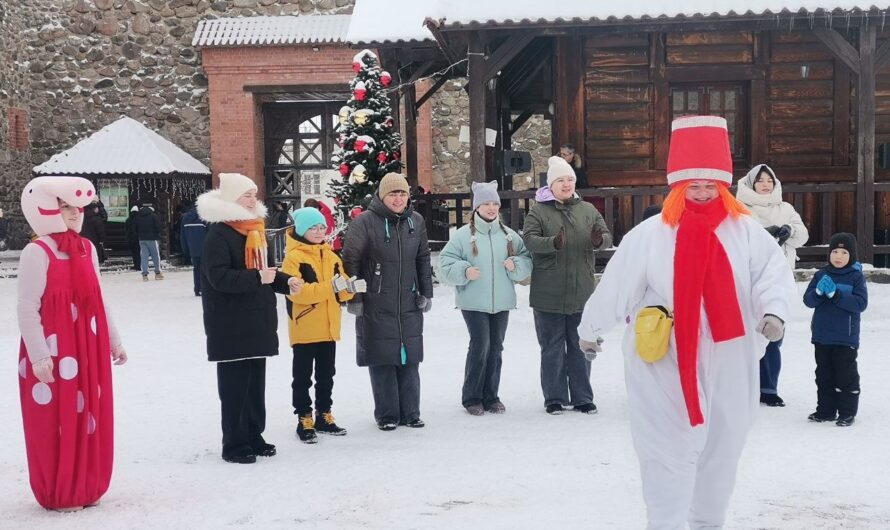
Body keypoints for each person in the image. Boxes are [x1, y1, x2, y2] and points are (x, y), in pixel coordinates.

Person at [578, 116, 796, 529]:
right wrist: (591, 331)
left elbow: (772, 274)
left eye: (708, 184)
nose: (700, 192)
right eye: (691, 185)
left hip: (730, 356)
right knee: (666, 449)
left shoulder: (746, 231)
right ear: (677, 187)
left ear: (724, 185)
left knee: (723, 447)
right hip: (666, 356)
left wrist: (774, 312)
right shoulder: (651, 234)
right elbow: (618, 285)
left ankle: (707, 523)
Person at [16, 176, 128, 511]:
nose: (74, 214)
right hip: (53, 348)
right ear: (49, 209)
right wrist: (38, 355)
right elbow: (27, 306)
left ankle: (87, 483)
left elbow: (97, 298)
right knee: (56, 418)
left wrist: (113, 341)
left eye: (78, 208)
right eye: (66, 207)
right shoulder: (36, 252)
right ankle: (61, 488)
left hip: (86, 346)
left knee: (88, 413)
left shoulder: (87, 249)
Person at [196, 172, 303, 464]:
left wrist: (285, 281)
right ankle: (234, 443)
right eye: (246, 194)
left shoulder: (253, 230)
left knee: (255, 384)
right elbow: (218, 277)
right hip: (231, 323)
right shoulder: (219, 233)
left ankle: (254, 435)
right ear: (231, 198)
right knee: (235, 387)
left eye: (254, 192)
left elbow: (266, 271)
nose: (252, 198)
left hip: (256, 320)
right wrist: (259, 277)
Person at [341, 173, 433, 431]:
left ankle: (411, 412)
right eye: (393, 194)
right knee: (382, 358)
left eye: (402, 193)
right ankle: (388, 414)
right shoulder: (365, 222)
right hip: (376, 301)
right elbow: (351, 261)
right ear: (382, 196)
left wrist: (426, 292)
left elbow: (423, 259)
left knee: (409, 357)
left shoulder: (416, 221)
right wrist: (355, 298)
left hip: (408, 299)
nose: (398, 198)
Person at [523, 155, 611, 415]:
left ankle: (583, 397)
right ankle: (554, 397)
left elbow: (606, 236)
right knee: (552, 348)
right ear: (550, 184)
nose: (566, 184)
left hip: (582, 293)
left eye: (570, 179)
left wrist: (598, 241)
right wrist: (552, 243)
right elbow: (529, 240)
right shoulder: (538, 210)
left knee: (581, 345)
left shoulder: (588, 210)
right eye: (560, 180)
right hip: (548, 294)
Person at [438, 181, 532, 415]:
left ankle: (491, 396)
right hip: (473, 302)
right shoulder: (462, 236)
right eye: (485, 203)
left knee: (496, 347)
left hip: (501, 301)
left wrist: (516, 265)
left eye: (494, 203)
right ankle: (472, 397)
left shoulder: (509, 236)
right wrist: (464, 271)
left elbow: (526, 261)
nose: (491, 208)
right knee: (481, 345)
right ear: (476, 207)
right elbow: (445, 263)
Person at [281, 207, 366, 443]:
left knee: (326, 375)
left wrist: (351, 289)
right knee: (302, 376)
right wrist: (333, 287)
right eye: (313, 227)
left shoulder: (331, 256)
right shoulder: (293, 258)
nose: (319, 231)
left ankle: (324, 414)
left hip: (329, 327)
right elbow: (298, 293)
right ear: (301, 230)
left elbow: (341, 289)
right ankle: (304, 417)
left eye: (321, 227)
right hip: (305, 327)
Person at [737, 164, 809, 407]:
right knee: (748, 335)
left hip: (779, 279)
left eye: (769, 180)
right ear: (751, 184)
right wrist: (763, 235)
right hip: (750, 280)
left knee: (774, 335)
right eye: (760, 181)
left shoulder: (785, 208)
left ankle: (768, 389)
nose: (765, 184)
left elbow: (803, 234)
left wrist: (789, 231)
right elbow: (735, 236)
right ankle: (744, 388)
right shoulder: (740, 208)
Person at [802, 233, 867, 427]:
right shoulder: (821, 275)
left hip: (845, 338)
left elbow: (860, 303)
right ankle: (826, 411)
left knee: (845, 376)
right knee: (823, 375)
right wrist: (819, 293)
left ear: (852, 255)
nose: (838, 256)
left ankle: (847, 412)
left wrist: (836, 294)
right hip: (822, 336)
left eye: (844, 252)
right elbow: (808, 300)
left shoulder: (856, 277)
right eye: (835, 251)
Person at [180, 203, 207, 297]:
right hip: (205, 248)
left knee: (196, 269)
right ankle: (205, 288)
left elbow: (182, 236)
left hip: (193, 249)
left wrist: (185, 250)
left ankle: (197, 289)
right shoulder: (205, 217)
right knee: (206, 269)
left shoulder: (185, 218)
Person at [133, 204, 163, 281]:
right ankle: (158, 273)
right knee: (155, 256)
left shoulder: (138, 217)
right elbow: (159, 227)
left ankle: (145, 275)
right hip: (152, 239)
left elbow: (134, 228)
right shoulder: (154, 216)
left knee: (144, 256)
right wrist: (157, 234)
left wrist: (139, 235)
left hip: (142, 239)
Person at [80, 199, 106, 264]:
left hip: (84, 240)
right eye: (96, 208)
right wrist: (102, 240)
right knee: (96, 257)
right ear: (93, 209)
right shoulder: (96, 219)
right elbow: (100, 231)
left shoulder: (82, 217)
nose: (98, 209)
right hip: (95, 241)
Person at [124, 205, 141, 271]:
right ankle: (139, 266)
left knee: (134, 253)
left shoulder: (128, 220)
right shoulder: (139, 219)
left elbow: (126, 230)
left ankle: (135, 265)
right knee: (139, 253)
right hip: (138, 239)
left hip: (131, 239)